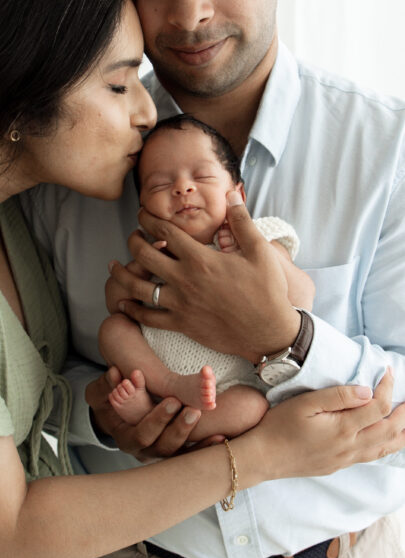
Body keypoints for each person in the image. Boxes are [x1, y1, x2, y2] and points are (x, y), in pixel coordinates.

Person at [0, 0, 398, 558]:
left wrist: (99, 407)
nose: (150, 111)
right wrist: (260, 457)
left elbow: (18, 397)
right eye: (120, 84)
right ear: (13, 93)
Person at [21, 0, 405, 558]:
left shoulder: (386, 151)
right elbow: (42, 373)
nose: (189, 13)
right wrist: (101, 413)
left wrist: (286, 337)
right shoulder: (68, 161)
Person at [99, 113, 312, 439]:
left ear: (237, 194)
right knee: (112, 330)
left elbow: (302, 297)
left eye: (202, 176)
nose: (183, 188)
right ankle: (161, 399)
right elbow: (119, 306)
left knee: (251, 407)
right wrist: (125, 281)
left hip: (227, 387)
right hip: (159, 371)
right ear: (143, 207)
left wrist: (254, 250)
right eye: (159, 184)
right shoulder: (155, 253)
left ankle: (178, 431)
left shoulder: (261, 237)